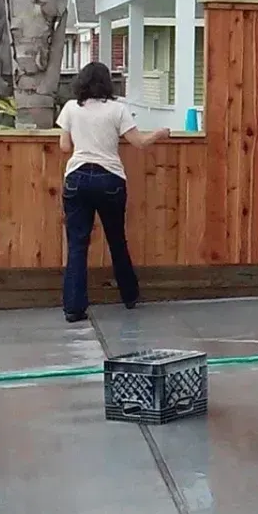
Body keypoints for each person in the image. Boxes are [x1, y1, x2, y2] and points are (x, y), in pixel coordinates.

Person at [55, 61, 170, 322]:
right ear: (107, 83)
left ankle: (74, 308)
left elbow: (64, 147)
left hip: (77, 178)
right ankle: (129, 296)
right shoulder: (118, 110)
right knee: (117, 240)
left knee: (77, 245)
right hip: (110, 179)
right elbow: (139, 142)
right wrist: (161, 133)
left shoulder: (71, 108)